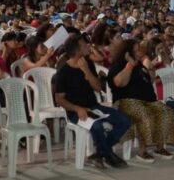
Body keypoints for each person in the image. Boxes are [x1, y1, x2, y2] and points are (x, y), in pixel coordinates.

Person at [55, 34, 130, 169]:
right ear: (77, 50)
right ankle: (108, 155)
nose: (88, 46)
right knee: (97, 126)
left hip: (94, 107)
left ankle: (100, 153)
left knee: (124, 120)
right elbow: (59, 99)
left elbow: (97, 87)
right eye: (84, 45)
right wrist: (77, 109)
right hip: (75, 112)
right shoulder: (63, 72)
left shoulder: (88, 63)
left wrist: (86, 71)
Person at [107, 39, 174, 164]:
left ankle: (159, 148)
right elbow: (119, 83)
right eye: (137, 49)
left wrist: (150, 68)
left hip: (146, 101)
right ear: (128, 52)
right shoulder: (119, 65)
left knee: (165, 111)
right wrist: (130, 65)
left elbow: (150, 80)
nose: (140, 52)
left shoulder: (140, 65)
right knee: (145, 114)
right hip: (126, 102)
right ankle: (142, 151)